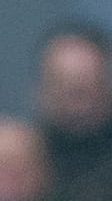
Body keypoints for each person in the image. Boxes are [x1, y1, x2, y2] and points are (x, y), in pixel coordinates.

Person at [33, 21, 112, 201]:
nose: (75, 95)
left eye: (86, 82)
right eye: (61, 82)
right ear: (40, 90)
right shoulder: (22, 166)